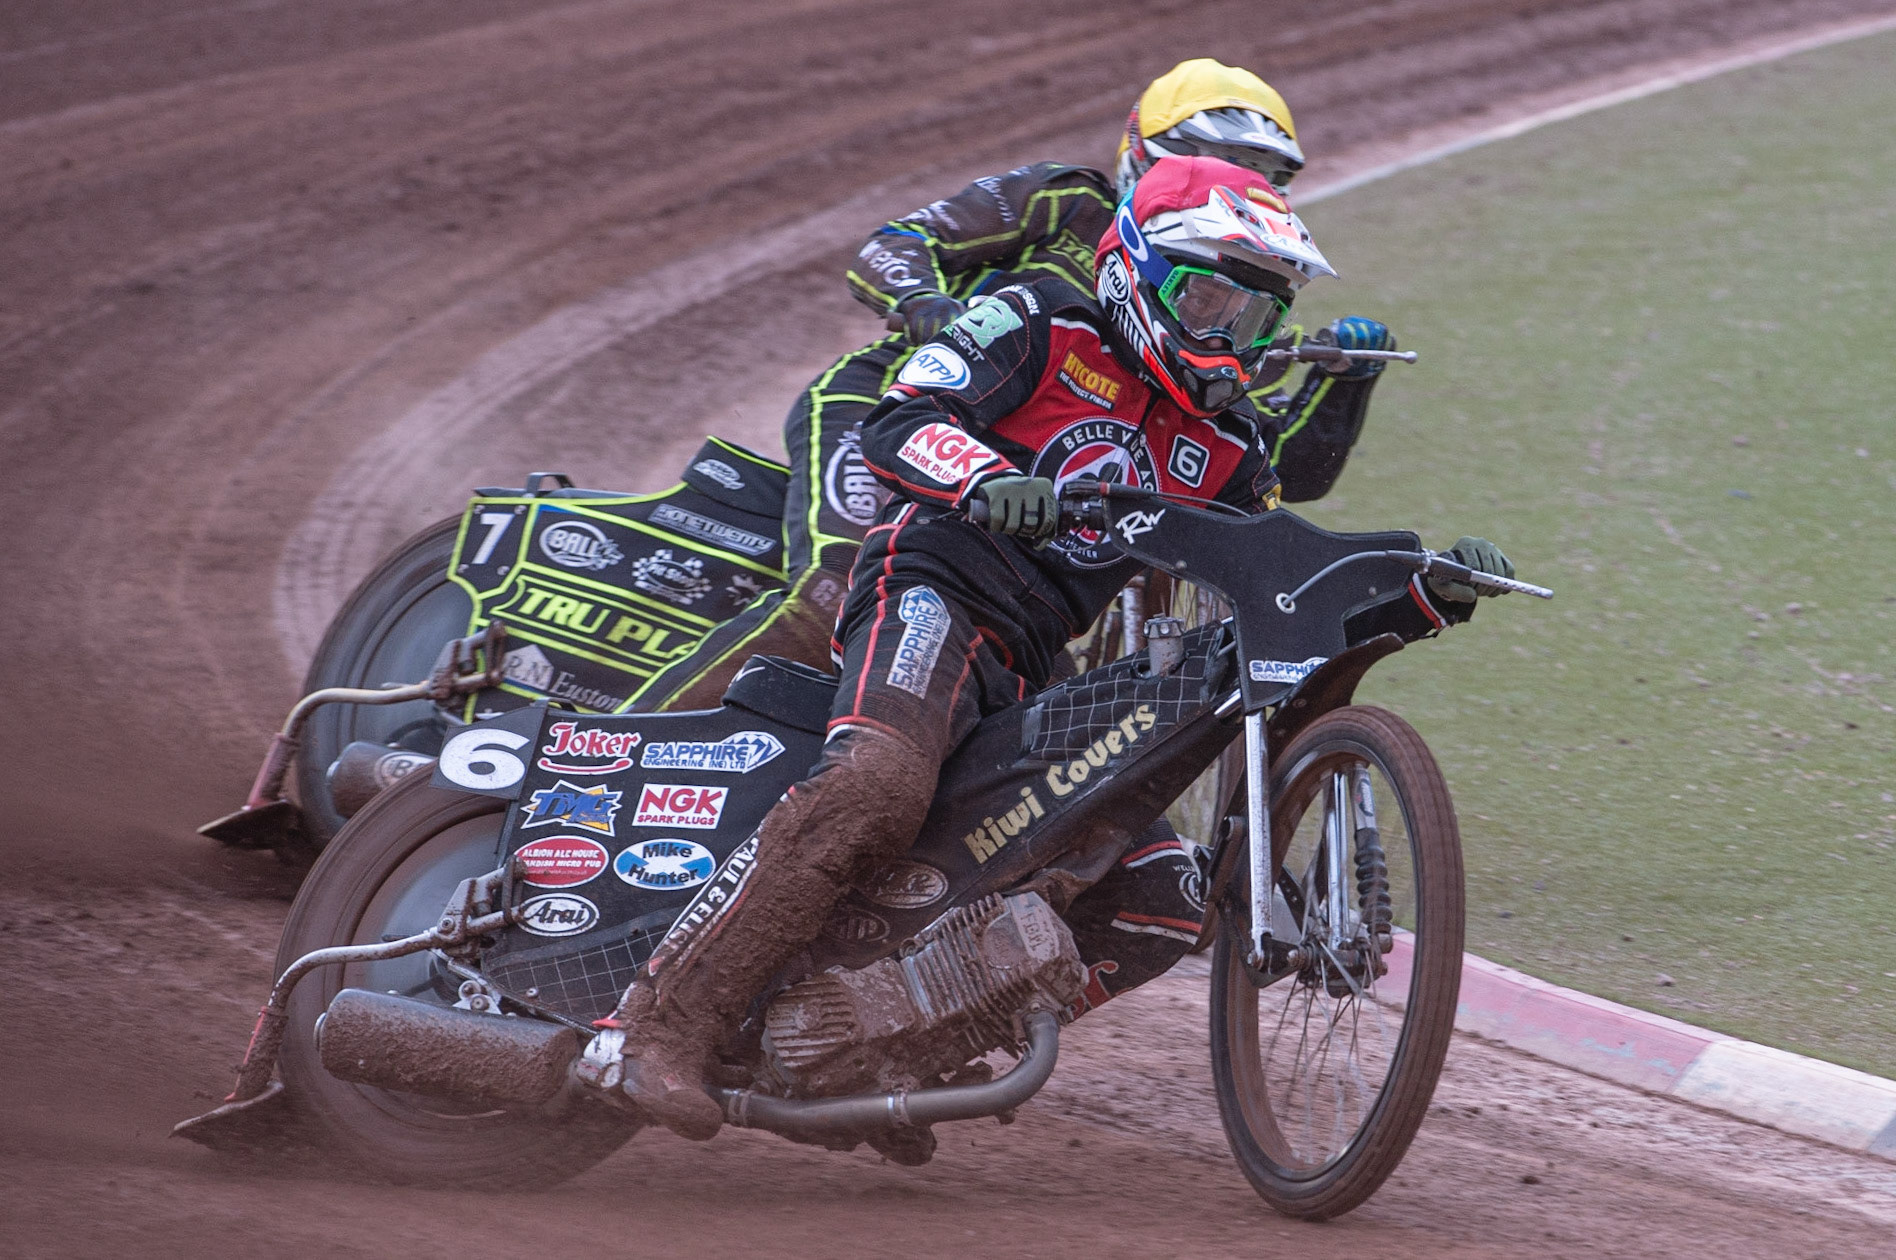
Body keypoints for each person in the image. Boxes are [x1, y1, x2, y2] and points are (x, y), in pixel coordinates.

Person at [610, 155, 1513, 1143]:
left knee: (1160, 900)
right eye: (1208, 299)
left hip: (1038, 664)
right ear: (1136, 269)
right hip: (932, 588)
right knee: (878, 781)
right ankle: (659, 1024)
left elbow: (1269, 574)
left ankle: (868, 1052)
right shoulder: (1039, 317)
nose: (1227, 336)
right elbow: (901, 416)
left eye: (1253, 319)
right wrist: (984, 479)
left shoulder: (1229, 444)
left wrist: (1413, 592)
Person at [628, 58, 1396, 713]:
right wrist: (936, 312)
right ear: (1143, 153)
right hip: (893, 404)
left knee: (1033, 689)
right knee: (834, 588)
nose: (1245, 184)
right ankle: (599, 754)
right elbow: (893, 246)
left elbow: (1278, 473)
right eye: (1213, 158)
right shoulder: (1067, 200)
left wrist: (1347, 384)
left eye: (1270, 178)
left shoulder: (1219, 303)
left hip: (1043, 486)